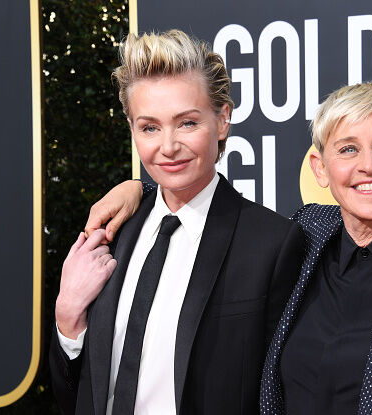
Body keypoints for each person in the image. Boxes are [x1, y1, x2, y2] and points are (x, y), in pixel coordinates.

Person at [87, 83, 372, 414]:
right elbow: (214, 204)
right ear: (320, 168)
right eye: (348, 149)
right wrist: (140, 190)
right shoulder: (306, 234)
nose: (368, 166)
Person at [49, 29, 304, 415]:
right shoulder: (112, 232)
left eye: (186, 123)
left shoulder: (271, 242)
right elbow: (75, 394)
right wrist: (67, 320)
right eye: (149, 127)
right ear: (132, 129)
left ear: (222, 120)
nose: (167, 147)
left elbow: (284, 393)